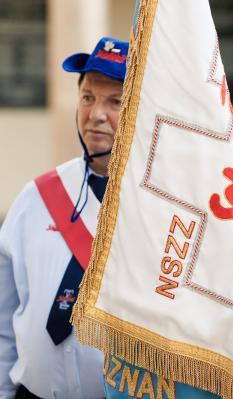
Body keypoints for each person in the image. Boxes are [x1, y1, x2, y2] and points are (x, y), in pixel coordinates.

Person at [0, 37, 128, 398]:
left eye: (115, 101)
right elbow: (4, 320)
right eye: (87, 97)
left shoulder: (164, 207)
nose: (96, 113)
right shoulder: (37, 197)